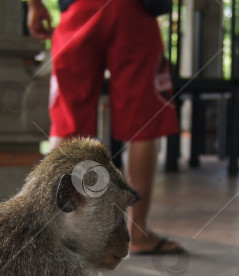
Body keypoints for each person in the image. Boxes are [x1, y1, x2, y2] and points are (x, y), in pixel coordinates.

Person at [27, 0, 185, 254]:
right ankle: (138, 233)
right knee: (142, 124)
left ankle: (55, 232)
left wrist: (34, 5)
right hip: (134, 11)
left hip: (79, 10)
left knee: (68, 122)